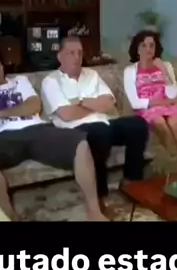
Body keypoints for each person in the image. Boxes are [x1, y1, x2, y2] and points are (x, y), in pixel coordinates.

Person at [0, 48, 108, 221]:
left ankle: (94, 211)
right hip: (4, 137)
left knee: (80, 143)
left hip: (37, 130)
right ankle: (9, 214)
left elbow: (34, 105)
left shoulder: (19, 81)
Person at [41, 37, 149, 213]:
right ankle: (99, 197)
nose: (77, 57)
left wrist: (80, 102)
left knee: (137, 125)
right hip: (73, 131)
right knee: (99, 134)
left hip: (103, 122)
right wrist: (95, 104)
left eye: (80, 53)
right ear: (60, 56)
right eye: (71, 53)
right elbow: (67, 115)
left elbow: (109, 103)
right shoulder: (51, 81)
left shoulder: (91, 75)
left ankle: (131, 181)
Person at [123, 30, 177, 170]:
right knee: (160, 122)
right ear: (137, 49)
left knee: (175, 123)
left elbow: (173, 94)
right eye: (144, 45)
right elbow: (135, 102)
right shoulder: (130, 70)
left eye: (152, 45)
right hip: (147, 108)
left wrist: (164, 71)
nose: (148, 49)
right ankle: (176, 160)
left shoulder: (165, 66)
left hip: (169, 105)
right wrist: (161, 102)